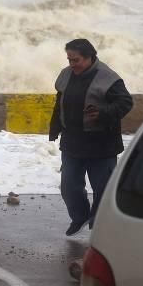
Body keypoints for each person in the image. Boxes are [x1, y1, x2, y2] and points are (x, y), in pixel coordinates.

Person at [49, 39, 133, 236]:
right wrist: (54, 128)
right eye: (69, 59)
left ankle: (99, 226)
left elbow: (125, 102)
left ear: (89, 57)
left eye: (75, 60)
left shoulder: (108, 78)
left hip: (101, 146)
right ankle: (80, 217)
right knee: (69, 187)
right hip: (72, 143)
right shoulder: (66, 74)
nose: (71, 64)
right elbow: (59, 103)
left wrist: (103, 112)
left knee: (102, 189)